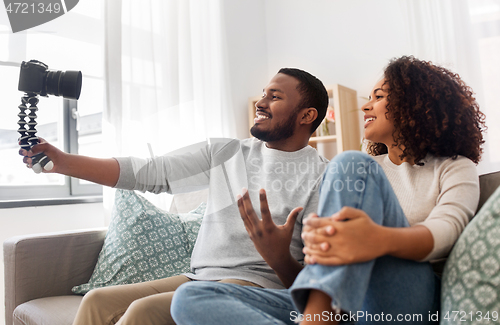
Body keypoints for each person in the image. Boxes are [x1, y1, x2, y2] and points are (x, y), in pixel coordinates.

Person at [170, 55, 487, 325]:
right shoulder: (366, 170)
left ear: (416, 103)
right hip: (346, 307)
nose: (365, 106)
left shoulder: (454, 167)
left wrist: (376, 240)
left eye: (379, 96)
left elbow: (445, 232)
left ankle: (318, 317)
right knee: (190, 299)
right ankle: (320, 315)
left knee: (348, 163)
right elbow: (320, 261)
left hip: (400, 299)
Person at [20, 68, 330, 325]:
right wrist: (63, 162)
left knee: (143, 313)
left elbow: (317, 284)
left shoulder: (323, 176)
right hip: (199, 278)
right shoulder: (227, 152)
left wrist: (279, 257)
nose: (260, 102)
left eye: (274, 96)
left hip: (259, 288)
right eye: (263, 93)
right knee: (97, 301)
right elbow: (150, 173)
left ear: (307, 116)